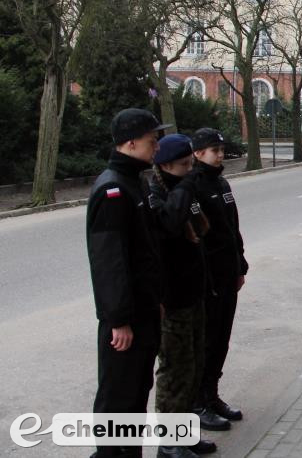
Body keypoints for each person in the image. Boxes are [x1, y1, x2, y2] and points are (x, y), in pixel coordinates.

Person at [86, 108, 169, 458]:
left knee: (137, 391)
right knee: (117, 395)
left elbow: (147, 249)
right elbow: (109, 261)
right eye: (152, 141)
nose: (157, 147)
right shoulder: (113, 189)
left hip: (144, 310)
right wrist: (118, 319)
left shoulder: (137, 181)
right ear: (131, 143)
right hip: (125, 318)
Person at [149, 134, 217, 457]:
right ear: (164, 166)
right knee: (175, 370)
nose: (190, 170)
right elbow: (171, 225)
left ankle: (186, 433)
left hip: (194, 293)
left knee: (194, 366)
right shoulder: (156, 196)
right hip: (172, 299)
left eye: (192, 164)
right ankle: (169, 442)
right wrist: (186, 186)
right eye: (184, 165)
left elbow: (201, 232)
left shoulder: (183, 190)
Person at [190, 128, 248, 431]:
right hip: (209, 278)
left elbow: (231, 227)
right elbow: (200, 237)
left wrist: (240, 264)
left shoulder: (222, 182)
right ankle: (198, 402)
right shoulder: (194, 185)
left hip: (228, 274)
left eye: (222, 150)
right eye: (215, 150)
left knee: (221, 339)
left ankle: (212, 396)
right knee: (207, 341)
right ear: (198, 153)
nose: (221, 155)